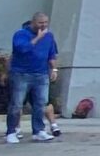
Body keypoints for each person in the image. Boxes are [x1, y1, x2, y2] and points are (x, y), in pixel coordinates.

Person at [5, 12, 60, 144]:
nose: (44, 25)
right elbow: (21, 49)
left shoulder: (49, 36)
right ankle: (12, 132)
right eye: (41, 23)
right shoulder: (21, 34)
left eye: (46, 22)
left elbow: (51, 54)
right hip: (21, 74)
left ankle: (39, 131)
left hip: (41, 74)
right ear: (33, 22)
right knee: (17, 104)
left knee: (41, 103)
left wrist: (54, 69)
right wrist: (37, 38)